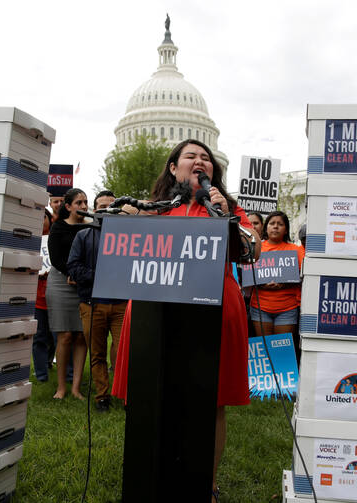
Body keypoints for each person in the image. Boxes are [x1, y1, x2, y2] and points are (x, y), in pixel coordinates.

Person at [111, 139, 261, 502]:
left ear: (214, 171)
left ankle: (204, 485)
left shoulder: (227, 208)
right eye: (190, 156)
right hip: (156, 308)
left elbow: (253, 248)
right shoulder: (155, 210)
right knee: (152, 393)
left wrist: (226, 216)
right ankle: (151, 476)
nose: (199, 161)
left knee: (212, 401)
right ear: (174, 167)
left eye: (206, 158)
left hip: (214, 308)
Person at [67, 190, 127, 412]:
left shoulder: (129, 236)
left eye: (111, 206)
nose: (106, 211)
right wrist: (101, 274)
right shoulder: (83, 235)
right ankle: (102, 396)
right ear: (94, 210)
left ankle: (125, 395)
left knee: (123, 353)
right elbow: (73, 266)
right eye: (102, 207)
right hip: (92, 304)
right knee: (97, 353)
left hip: (122, 305)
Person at [46, 188, 90, 399]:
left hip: (83, 284)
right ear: (69, 206)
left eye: (85, 202)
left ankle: (76, 388)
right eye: (79, 203)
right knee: (64, 336)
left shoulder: (92, 228)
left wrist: (82, 275)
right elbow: (55, 258)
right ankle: (61, 388)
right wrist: (71, 272)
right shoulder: (58, 228)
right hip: (61, 283)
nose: (83, 206)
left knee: (82, 335)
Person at [249, 211, 305, 362]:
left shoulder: (295, 250)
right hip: (260, 308)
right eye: (272, 224)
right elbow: (247, 274)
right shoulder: (256, 248)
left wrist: (284, 283)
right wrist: (263, 284)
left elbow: (303, 276)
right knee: (264, 352)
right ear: (266, 227)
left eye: (280, 224)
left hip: (287, 309)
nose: (275, 227)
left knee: (282, 353)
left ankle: (284, 385)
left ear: (286, 229)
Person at [33, 209, 56, 382]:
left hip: (56, 296)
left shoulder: (57, 238)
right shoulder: (27, 242)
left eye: (43, 217)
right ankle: (41, 375)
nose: (40, 221)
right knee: (39, 336)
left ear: (49, 219)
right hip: (36, 297)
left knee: (58, 337)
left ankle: (63, 371)